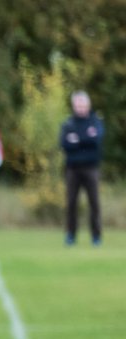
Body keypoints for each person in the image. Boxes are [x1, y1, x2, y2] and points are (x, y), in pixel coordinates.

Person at [61, 91, 104, 246]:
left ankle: (96, 236)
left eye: (82, 104)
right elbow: (65, 144)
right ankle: (71, 235)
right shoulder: (68, 124)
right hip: (72, 169)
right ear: (74, 106)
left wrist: (77, 140)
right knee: (71, 203)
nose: (80, 108)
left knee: (94, 203)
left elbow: (95, 141)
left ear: (88, 105)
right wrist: (84, 139)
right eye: (77, 104)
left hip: (91, 168)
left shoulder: (95, 121)